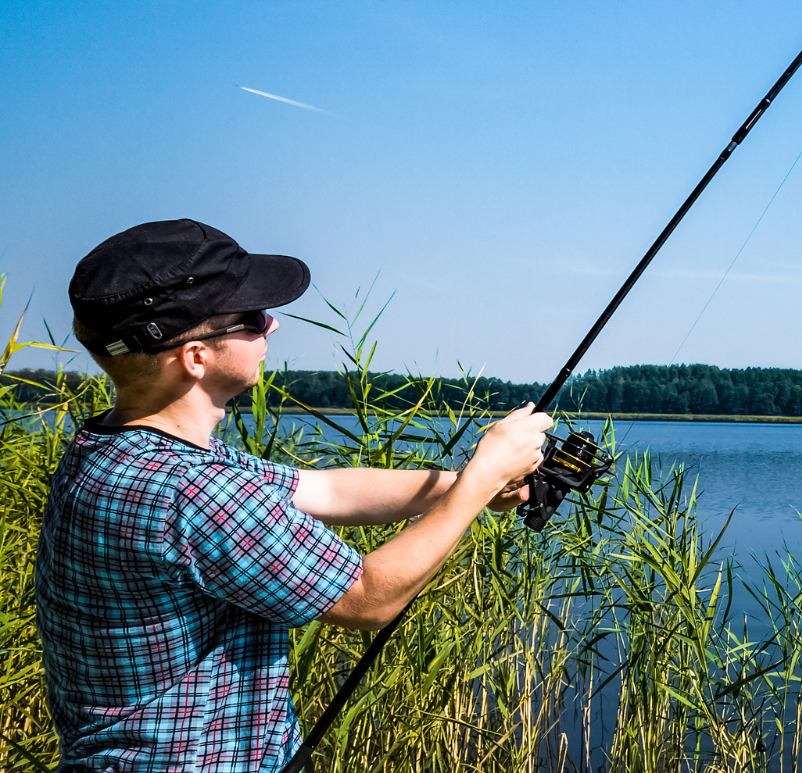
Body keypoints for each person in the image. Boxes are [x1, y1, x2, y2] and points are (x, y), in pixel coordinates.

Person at [37, 218, 553, 771]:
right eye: (252, 320)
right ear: (195, 357)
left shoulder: (115, 451)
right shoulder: (196, 491)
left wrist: (466, 487)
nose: (273, 326)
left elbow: (326, 488)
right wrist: (478, 478)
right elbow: (368, 600)